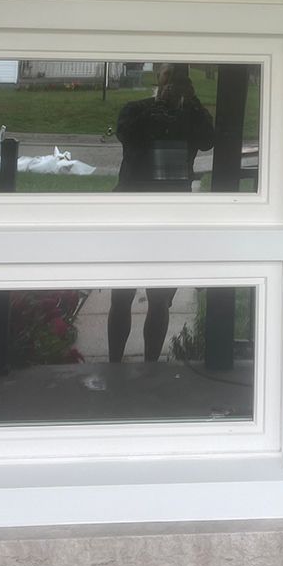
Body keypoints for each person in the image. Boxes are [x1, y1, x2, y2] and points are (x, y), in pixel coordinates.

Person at [108, 64, 215, 363]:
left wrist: (191, 103)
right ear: (158, 77)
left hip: (169, 214)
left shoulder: (190, 116)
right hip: (132, 209)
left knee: (159, 298)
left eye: (182, 78)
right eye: (170, 76)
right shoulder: (135, 110)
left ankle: (151, 366)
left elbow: (209, 139)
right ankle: (114, 363)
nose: (175, 82)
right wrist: (158, 106)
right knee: (121, 295)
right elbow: (128, 136)